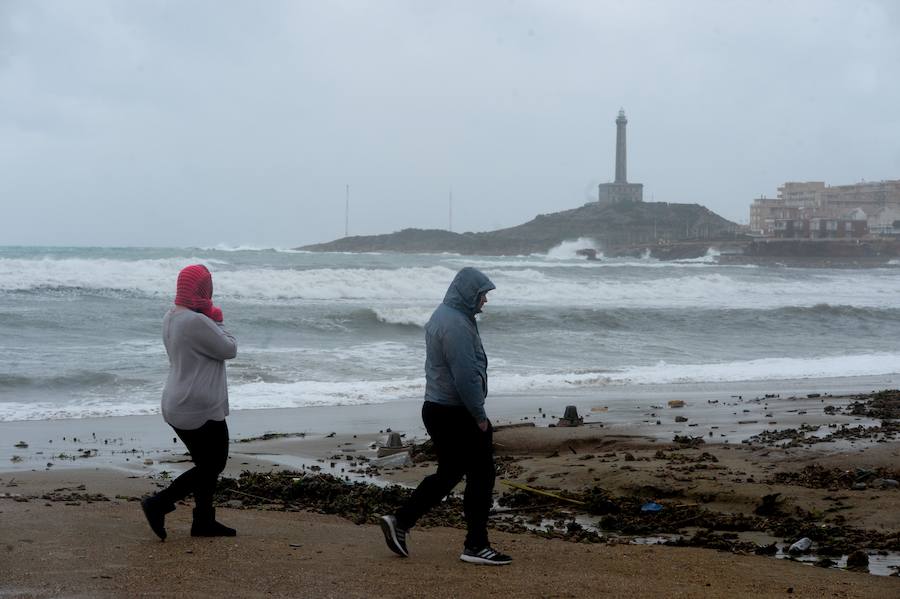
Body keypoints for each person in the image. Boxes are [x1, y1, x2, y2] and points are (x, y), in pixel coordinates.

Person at [380, 267, 511, 565]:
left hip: (438, 408)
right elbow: (464, 376)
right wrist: (479, 416)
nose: (485, 301)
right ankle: (476, 545)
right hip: (456, 411)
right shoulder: (455, 325)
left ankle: (400, 521)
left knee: (450, 473)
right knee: (482, 475)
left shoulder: (447, 315)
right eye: (482, 295)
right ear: (469, 294)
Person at [141, 264, 237, 540]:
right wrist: (217, 320)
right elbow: (229, 349)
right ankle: (158, 503)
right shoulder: (197, 321)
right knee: (212, 465)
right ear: (202, 289)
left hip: (176, 401)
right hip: (198, 405)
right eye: (207, 285)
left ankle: (204, 522)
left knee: (205, 465)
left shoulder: (171, 316)